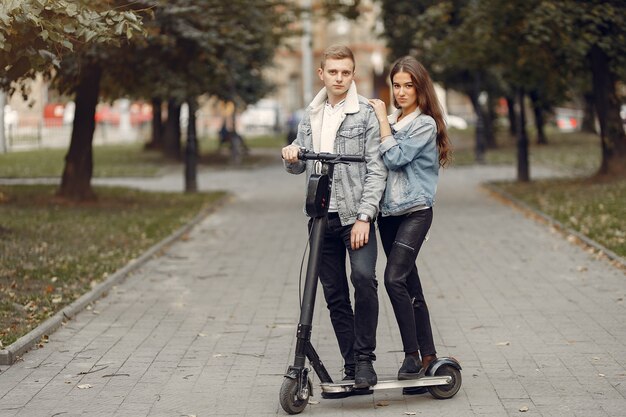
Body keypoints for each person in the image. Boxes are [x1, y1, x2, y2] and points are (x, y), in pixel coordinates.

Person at [282, 45, 387, 388]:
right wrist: (291, 156)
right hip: (320, 217)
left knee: (362, 279)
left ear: (352, 74)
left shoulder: (365, 114)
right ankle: (351, 365)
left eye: (345, 72)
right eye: (333, 72)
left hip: (354, 216)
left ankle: (365, 359)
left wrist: (364, 217)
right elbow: (299, 167)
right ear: (322, 74)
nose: (339, 78)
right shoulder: (310, 116)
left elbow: (376, 170)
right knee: (334, 295)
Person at [368, 56, 451, 382]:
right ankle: (428, 351)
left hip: (415, 211)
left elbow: (396, 158)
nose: (401, 92)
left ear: (420, 88)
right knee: (409, 283)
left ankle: (411, 356)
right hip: (388, 215)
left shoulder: (424, 124)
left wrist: (382, 122)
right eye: (397, 85)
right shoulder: (392, 120)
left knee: (393, 279)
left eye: (408, 86)